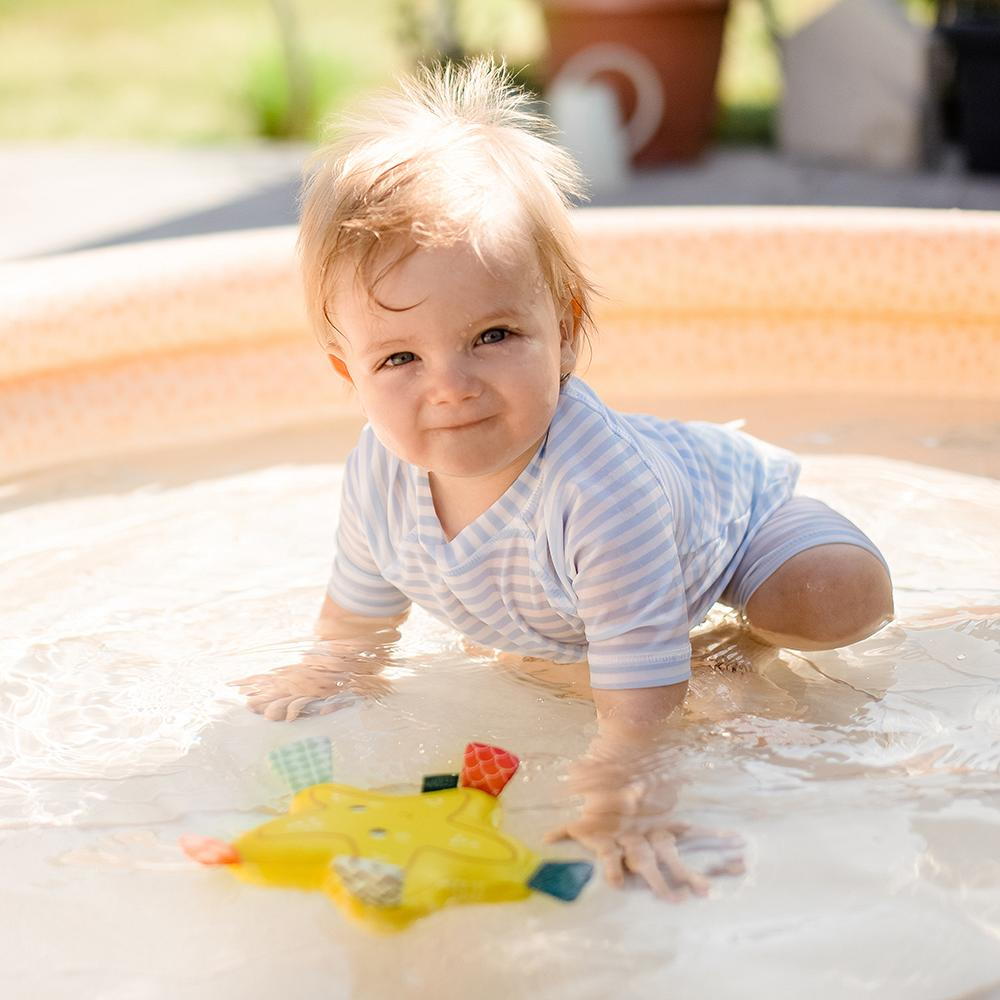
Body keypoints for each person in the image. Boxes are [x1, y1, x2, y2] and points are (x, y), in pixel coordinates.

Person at [233, 57, 894, 900]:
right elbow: (362, 599)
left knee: (837, 596)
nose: (450, 384)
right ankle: (661, 656)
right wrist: (336, 666)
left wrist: (628, 779)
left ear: (567, 330)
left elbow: (640, 698)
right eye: (400, 356)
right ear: (347, 373)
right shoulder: (377, 468)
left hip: (742, 525)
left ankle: (750, 639)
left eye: (494, 336)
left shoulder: (598, 489)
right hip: (607, 592)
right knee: (549, 651)